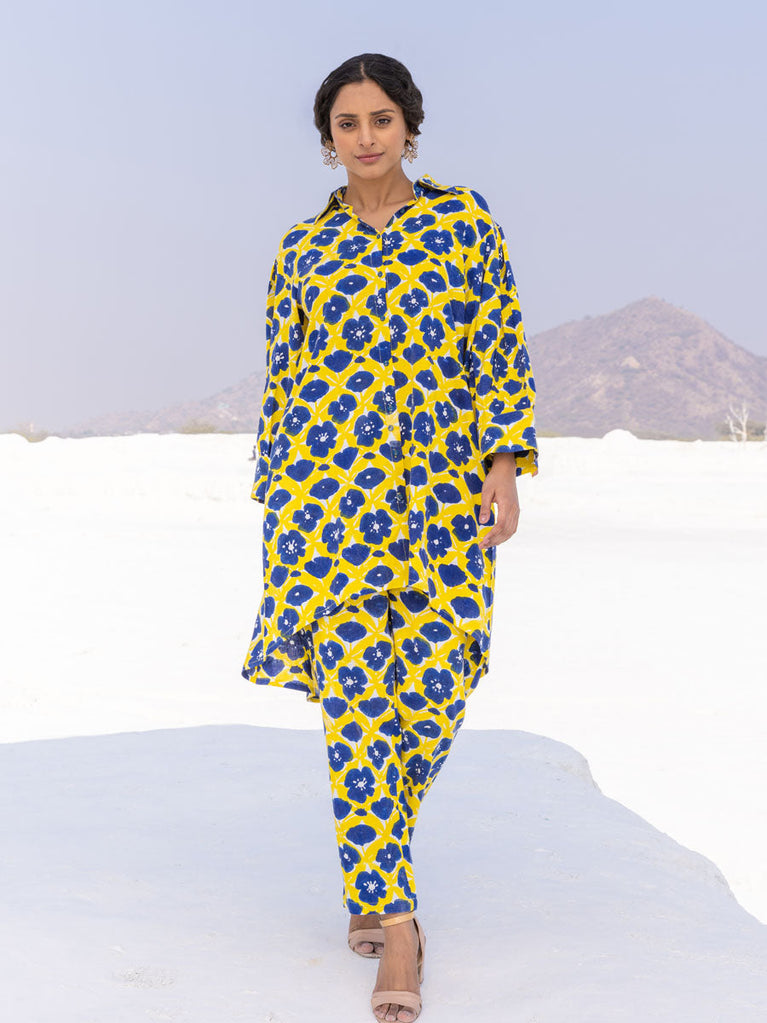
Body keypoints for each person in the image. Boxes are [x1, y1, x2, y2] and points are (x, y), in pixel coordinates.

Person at [242, 53, 537, 1023]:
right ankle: (396, 924)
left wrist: (503, 463)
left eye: (380, 119)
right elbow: (284, 380)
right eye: (346, 123)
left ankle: (374, 860)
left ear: (408, 124)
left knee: (437, 686)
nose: (365, 137)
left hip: (440, 502)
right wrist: (276, 505)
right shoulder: (301, 250)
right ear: (326, 141)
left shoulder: (464, 224)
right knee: (359, 706)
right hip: (325, 506)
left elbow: (496, 346)